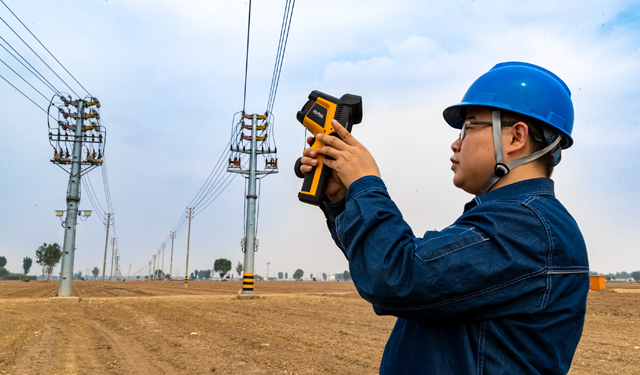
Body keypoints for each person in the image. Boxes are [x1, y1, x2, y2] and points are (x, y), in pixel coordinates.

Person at [298, 62, 589, 374]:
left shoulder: (525, 228)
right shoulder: (510, 221)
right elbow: (388, 270)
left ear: (516, 137)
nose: (455, 143)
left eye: (468, 128)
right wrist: (342, 198)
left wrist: (365, 183)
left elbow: (396, 276)